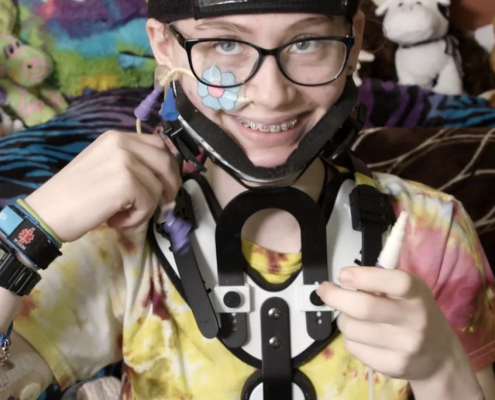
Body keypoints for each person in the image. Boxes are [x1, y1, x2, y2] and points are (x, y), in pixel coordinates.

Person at [0, 0, 494, 399]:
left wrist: (440, 367)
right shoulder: (123, 237)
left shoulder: (431, 228)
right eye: (226, 43)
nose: (272, 94)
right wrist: (30, 228)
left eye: (307, 41)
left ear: (355, 40)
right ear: (164, 48)